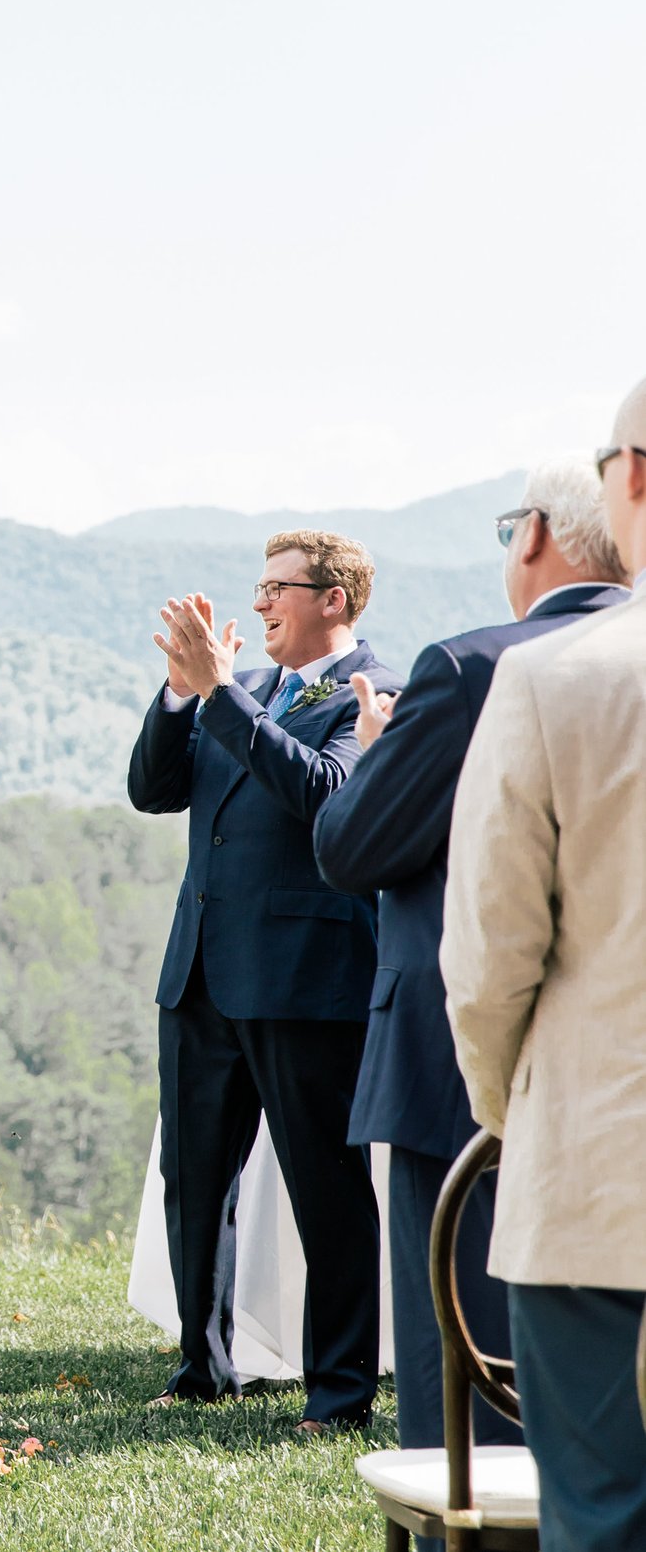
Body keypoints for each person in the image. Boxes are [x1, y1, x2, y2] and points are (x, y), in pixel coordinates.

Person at [314, 457, 628, 1473]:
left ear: (534, 533)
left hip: (461, 1068)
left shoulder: (469, 669)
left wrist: (372, 755)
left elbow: (352, 848)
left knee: (469, 1382)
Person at [126, 531, 398, 1434]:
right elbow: (152, 790)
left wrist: (223, 694)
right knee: (194, 1179)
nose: (264, 600)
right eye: (262, 584)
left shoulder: (377, 691)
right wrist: (179, 692)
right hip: (201, 969)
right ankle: (200, 1365)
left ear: (336, 599)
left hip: (305, 977)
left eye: (282, 586)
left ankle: (342, 1390)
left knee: (328, 1187)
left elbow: (329, 796)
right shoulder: (246, 694)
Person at [443, 383, 646, 1551]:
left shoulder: (556, 679)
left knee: (604, 1518)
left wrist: (512, 1112)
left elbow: (485, 960)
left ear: (628, 477)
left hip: (598, 1178)